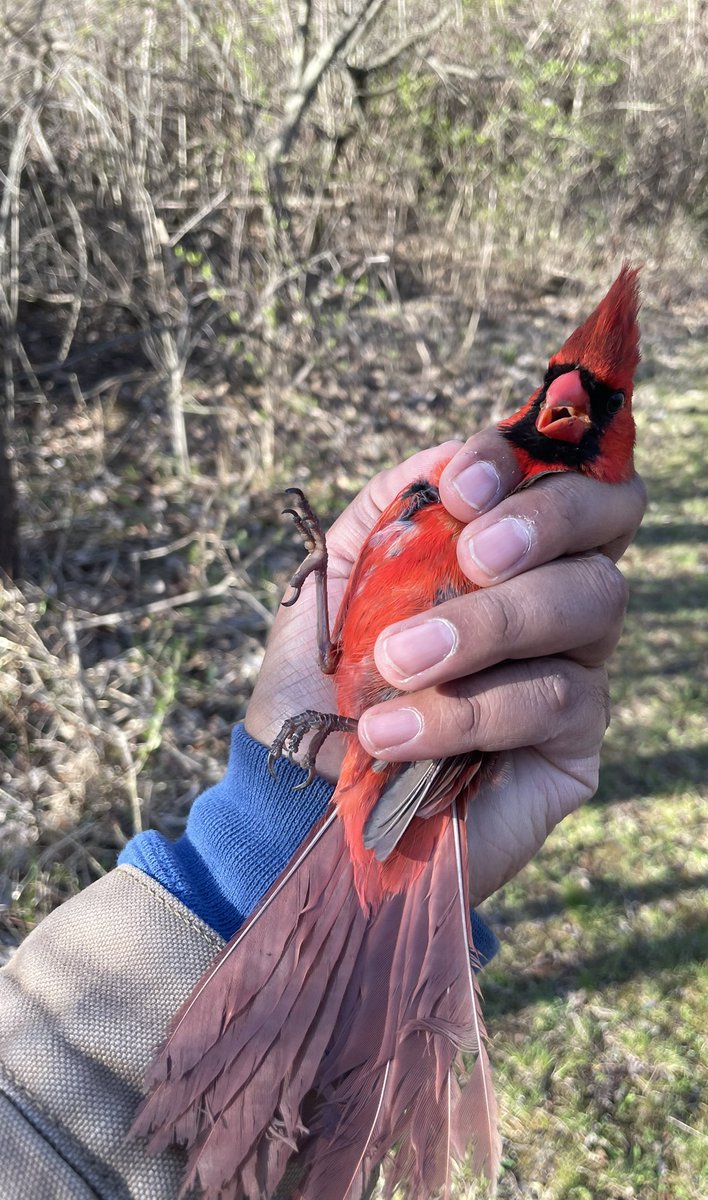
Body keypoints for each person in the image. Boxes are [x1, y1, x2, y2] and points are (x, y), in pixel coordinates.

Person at [0, 426, 645, 1198]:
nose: (567, 408)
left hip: (407, 776)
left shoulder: (509, 507)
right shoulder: (468, 486)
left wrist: (299, 821)